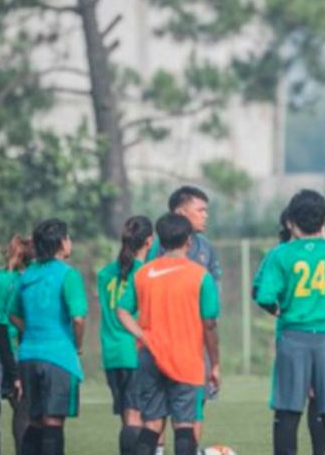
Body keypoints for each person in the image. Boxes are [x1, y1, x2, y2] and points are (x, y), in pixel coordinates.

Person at [255, 189, 325, 455]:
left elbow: (263, 296)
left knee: (287, 413)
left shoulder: (281, 254)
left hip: (294, 336)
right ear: (324, 219)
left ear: (292, 218)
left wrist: (279, 312)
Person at [117, 213, 220, 455]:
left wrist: (141, 335)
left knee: (152, 424)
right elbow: (210, 324)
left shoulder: (143, 273)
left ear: (160, 241)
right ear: (189, 240)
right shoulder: (200, 275)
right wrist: (214, 363)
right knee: (184, 426)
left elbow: (121, 311)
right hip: (186, 359)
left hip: (150, 356)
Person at [146, 186, 221, 453]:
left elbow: (211, 306)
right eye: (200, 210)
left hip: (193, 343)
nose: (205, 216)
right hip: (159, 342)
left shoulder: (206, 249)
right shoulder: (157, 249)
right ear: (180, 212)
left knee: (194, 408)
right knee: (156, 412)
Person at [253, 208, 325, 455]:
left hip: (307, 336)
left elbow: (258, 293)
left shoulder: (313, 252)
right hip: (308, 337)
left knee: (311, 401)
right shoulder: (282, 255)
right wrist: (280, 312)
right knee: (299, 402)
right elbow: (259, 291)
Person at [10, 219, 88, 455]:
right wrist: (77, 345)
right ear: (61, 242)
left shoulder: (27, 274)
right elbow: (78, 319)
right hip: (58, 356)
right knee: (53, 422)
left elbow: (13, 314)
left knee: (34, 420)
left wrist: (33, 331)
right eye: (68, 237)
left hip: (28, 356)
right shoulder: (68, 274)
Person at [98, 216, 154, 455]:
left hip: (111, 352)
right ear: (149, 241)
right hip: (134, 350)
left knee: (127, 418)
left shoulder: (105, 274)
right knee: (137, 417)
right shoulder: (146, 274)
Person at [0, 235, 34, 455]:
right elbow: (4, 326)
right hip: (12, 352)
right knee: (23, 411)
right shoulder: (25, 281)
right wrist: (15, 371)